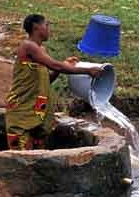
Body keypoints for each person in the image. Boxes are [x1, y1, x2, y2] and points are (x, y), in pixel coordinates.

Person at [6, 14, 103, 151]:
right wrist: (87, 71)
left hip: (36, 112)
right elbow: (55, 65)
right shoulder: (28, 46)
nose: (49, 29)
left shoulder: (40, 50)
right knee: (21, 156)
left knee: (37, 154)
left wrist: (62, 67)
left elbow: (47, 80)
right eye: (47, 25)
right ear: (36, 27)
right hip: (23, 109)